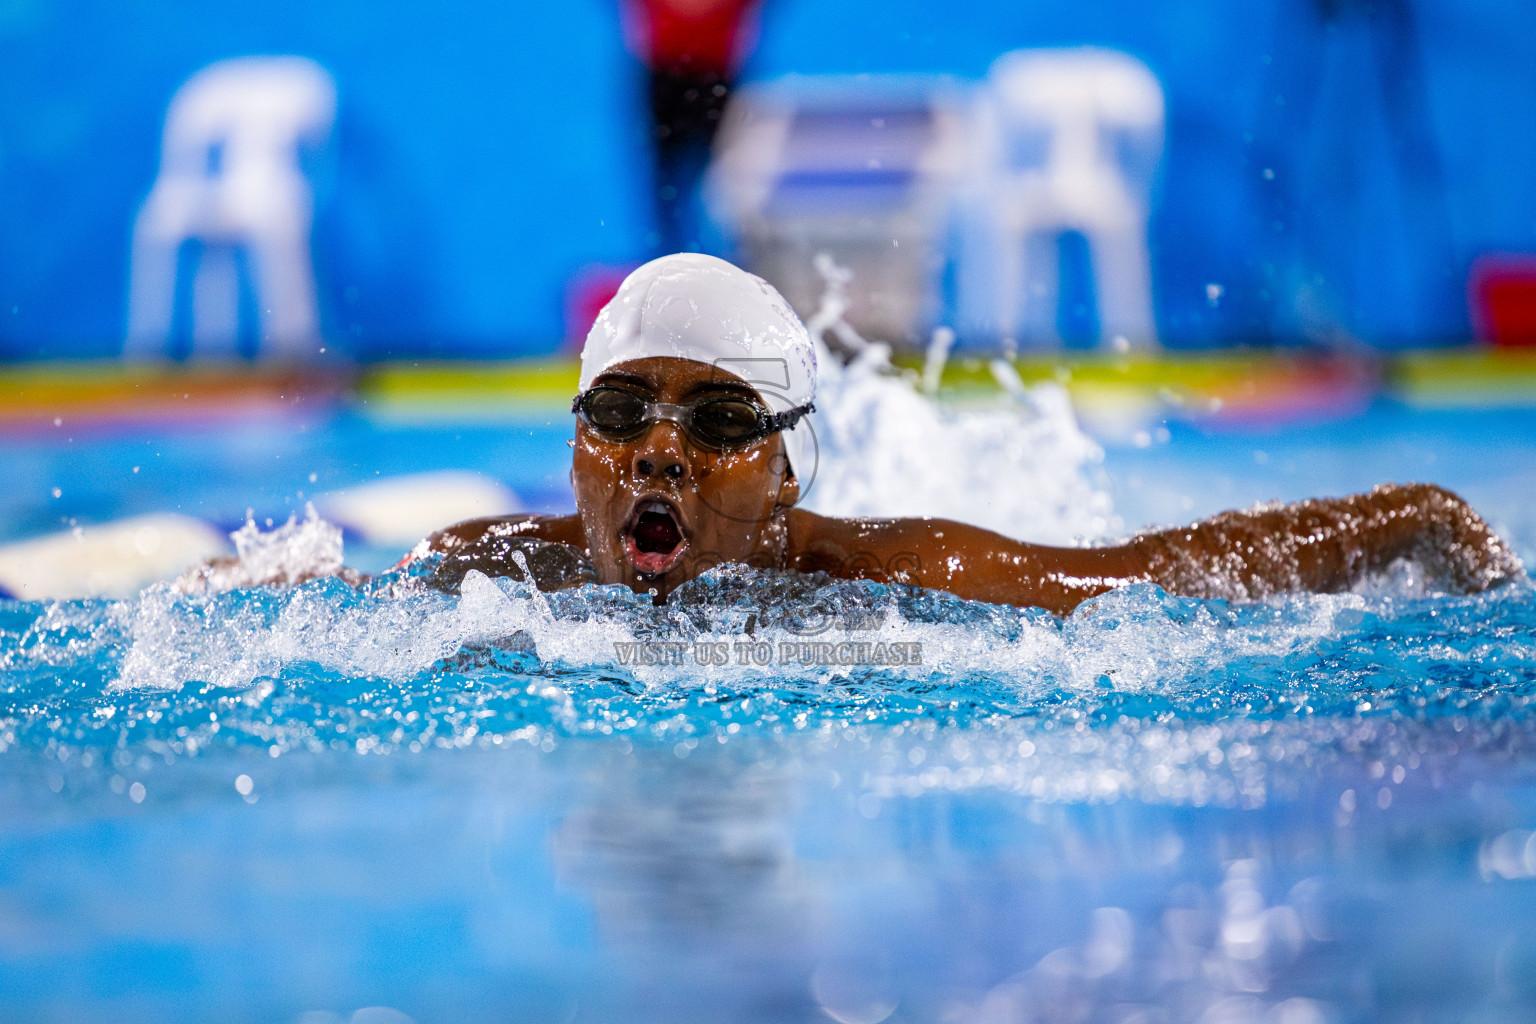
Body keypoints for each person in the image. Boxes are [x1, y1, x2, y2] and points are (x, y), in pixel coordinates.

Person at [420, 254, 1521, 615]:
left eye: (719, 420)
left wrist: (1414, 518)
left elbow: (1144, 580)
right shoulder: (489, 571)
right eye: (620, 411)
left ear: (790, 471)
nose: (658, 450)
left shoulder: (897, 576)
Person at [618, 0, 764, 253]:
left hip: (717, 77)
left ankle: (728, 261)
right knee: (665, 190)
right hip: (665, 76)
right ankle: (665, 260)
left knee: (722, 185)